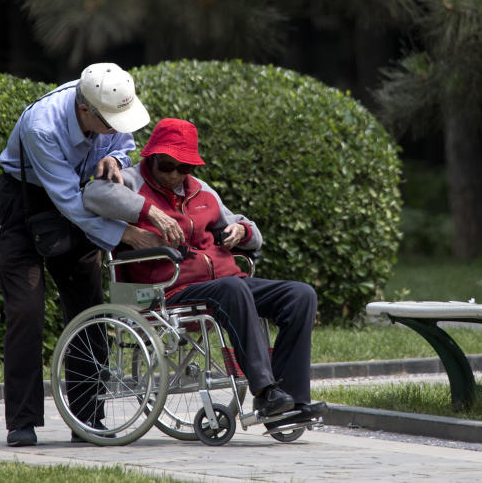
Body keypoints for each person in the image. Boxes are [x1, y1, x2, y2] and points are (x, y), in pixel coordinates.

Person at [82, 118, 327, 427]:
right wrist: (149, 212)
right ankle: (266, 392)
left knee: (300, 295)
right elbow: (91, 196)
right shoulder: (130, 181)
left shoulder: (202, 190)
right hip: (170, 288)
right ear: (150, 157)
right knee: (231, 290)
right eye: (166, 165)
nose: (174, 175)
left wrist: (241, 229)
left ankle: (292, 401)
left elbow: (250, 232)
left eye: (183, 168)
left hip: (225, 282)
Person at [0, 62, 166, 447]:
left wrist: (114, 160)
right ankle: (22, 421)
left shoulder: (107, 98)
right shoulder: (43, 126)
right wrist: (126, 234)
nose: (119, 126)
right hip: (22, 206)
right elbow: (67, 200)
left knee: (89, 308)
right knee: (26, 311)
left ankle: (88, 418)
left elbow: (124, 144)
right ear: (85, 110)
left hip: (79, 201)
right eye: (111, 122)